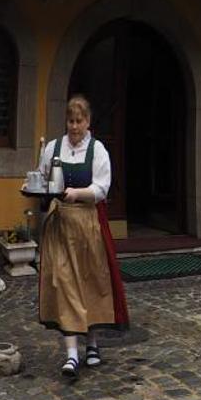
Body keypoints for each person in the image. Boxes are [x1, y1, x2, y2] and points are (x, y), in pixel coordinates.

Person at [35, 94, 126, 379]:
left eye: (80, 121)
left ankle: (93, 344)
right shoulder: (53, 147)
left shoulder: (97, 150)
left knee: (90, 282)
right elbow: (43, 178)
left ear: (88, 121)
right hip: (61, 225)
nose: (74, 126)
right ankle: (71, 355)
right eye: (71, 121)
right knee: (64, 284)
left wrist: (78, 193)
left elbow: (101, 188)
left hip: (87, 225)